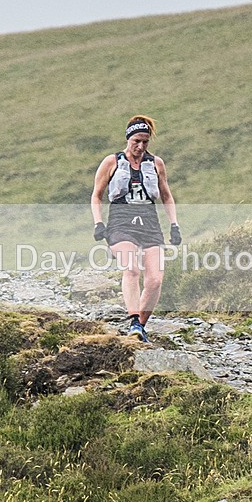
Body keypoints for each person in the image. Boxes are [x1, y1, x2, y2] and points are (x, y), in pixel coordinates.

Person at [91, 115, 181, 342]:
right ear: (128, 138)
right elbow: (97, 195)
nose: (140, 147)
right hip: (121, 220)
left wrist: (174, 225)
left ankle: (139, 326)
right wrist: (98, 223)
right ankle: (132, 319)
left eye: (145, 142)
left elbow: (166, 196)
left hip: (149, 222)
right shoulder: (111, 162)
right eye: (136, 141)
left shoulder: (156, 164)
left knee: (156, 280)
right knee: (131, 268)